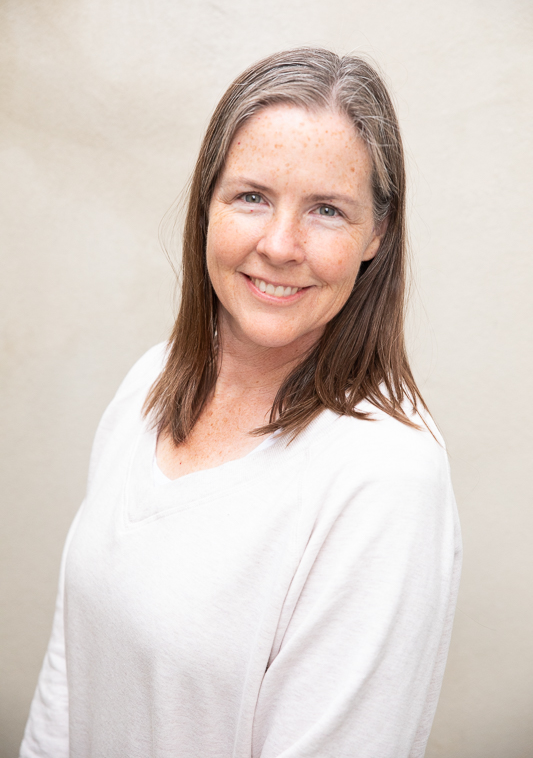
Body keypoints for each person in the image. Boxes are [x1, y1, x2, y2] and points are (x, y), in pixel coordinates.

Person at [20, 47, 461, 758]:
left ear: (376, 234)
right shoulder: (150, 382)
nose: (280, 245)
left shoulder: (384, 479)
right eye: (251, 196)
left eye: (325, 209)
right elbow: (70, 673)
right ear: (206, 205)